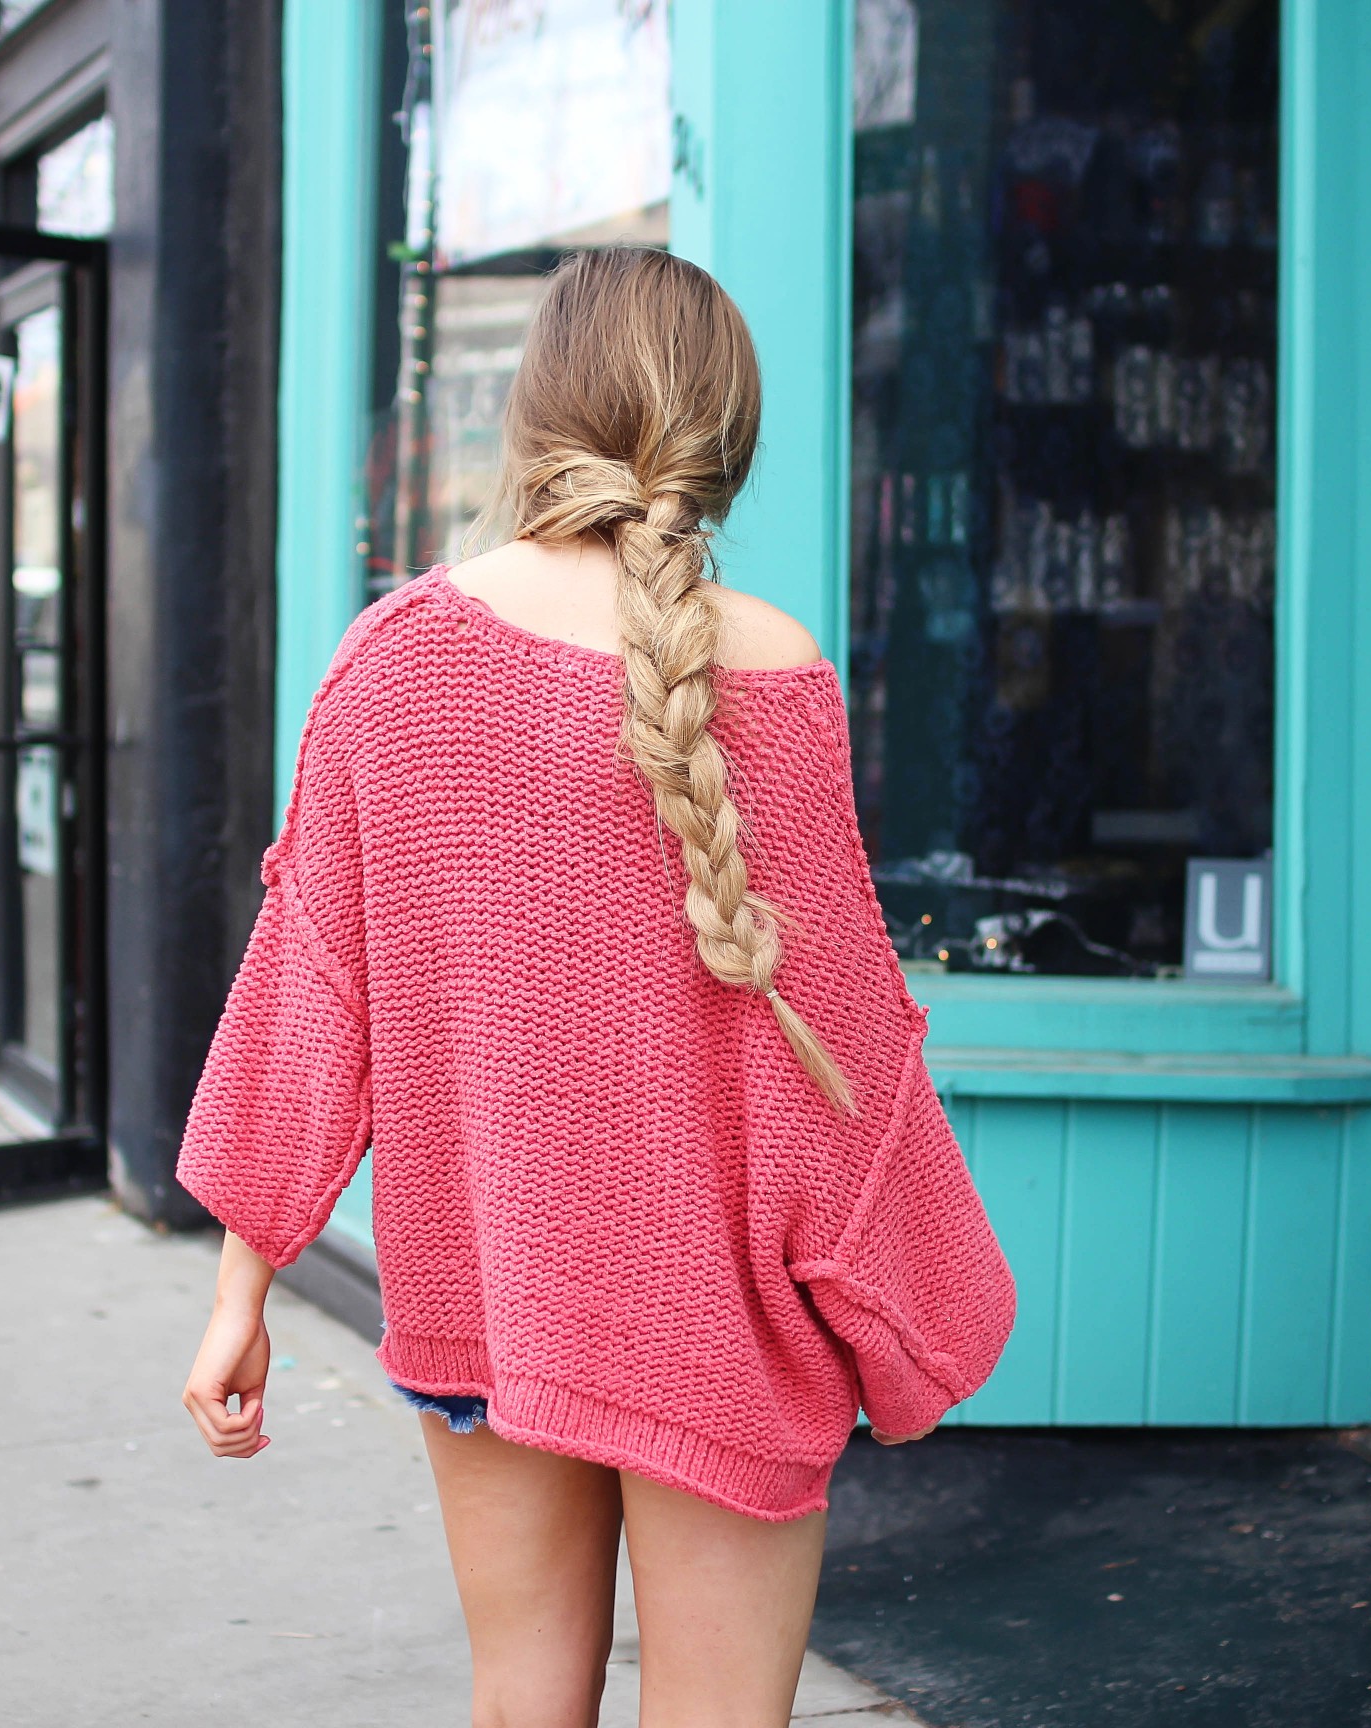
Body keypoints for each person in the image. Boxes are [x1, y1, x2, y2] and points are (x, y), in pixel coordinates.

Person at [175, 248, 1015, 1728]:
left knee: (520, 1701)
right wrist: (919, 1304)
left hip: (486, 1287)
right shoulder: (778, 674)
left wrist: (243, 1282)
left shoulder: (392, 661)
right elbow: (851, 1069)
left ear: (533, 417)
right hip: (723, 1322)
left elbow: (311, 995)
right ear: (726, 441)